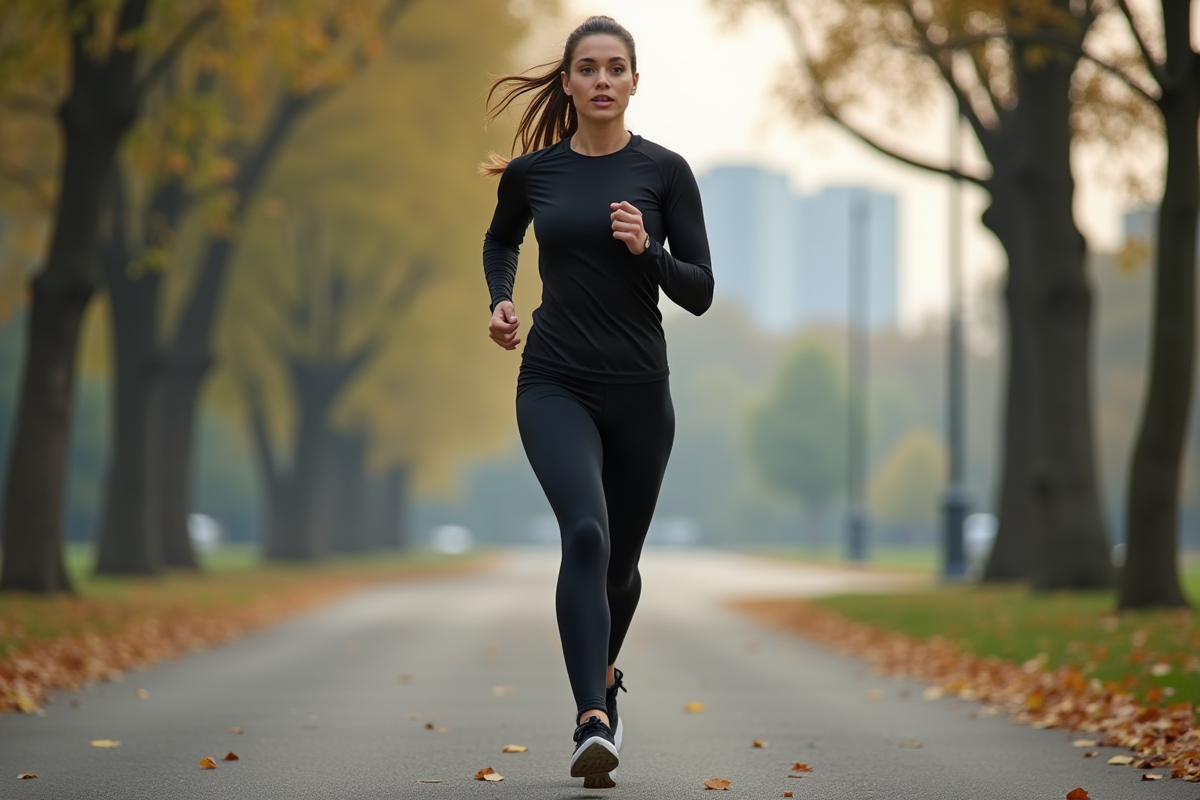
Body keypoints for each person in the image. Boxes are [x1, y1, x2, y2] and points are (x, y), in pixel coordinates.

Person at [480, 15, 714, 786]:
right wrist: (501, 299)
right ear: (570, 82)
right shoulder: (534, 174)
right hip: (555, 380)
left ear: (634, 82)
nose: (603, 80)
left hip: (641, 391)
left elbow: (701, 291)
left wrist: (650, 252)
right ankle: (592, 719)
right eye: (589, 68)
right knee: (585, 531)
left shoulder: (667, 173)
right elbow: (502, 239)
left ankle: (604, 680)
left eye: (616, 68)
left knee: (621, 568)